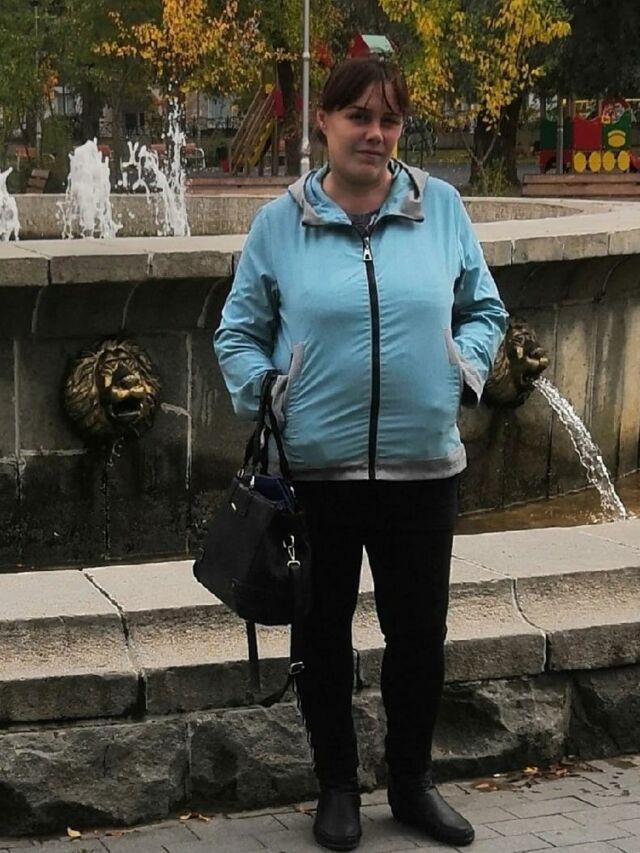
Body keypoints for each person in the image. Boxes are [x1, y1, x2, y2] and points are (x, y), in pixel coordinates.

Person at [214, 56, 508, 852]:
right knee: (321, 636)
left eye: (389, 120)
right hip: (316, 475)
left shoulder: (440, 207)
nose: (374, 134)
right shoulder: (280, 223)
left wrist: (462, 368)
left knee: (419, 636)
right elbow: (237, 333)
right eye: (359, 117)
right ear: (325, 121)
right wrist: (271, 391)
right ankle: (337, 786)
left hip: (423, 471)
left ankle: (411, 782)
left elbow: (485, 308)